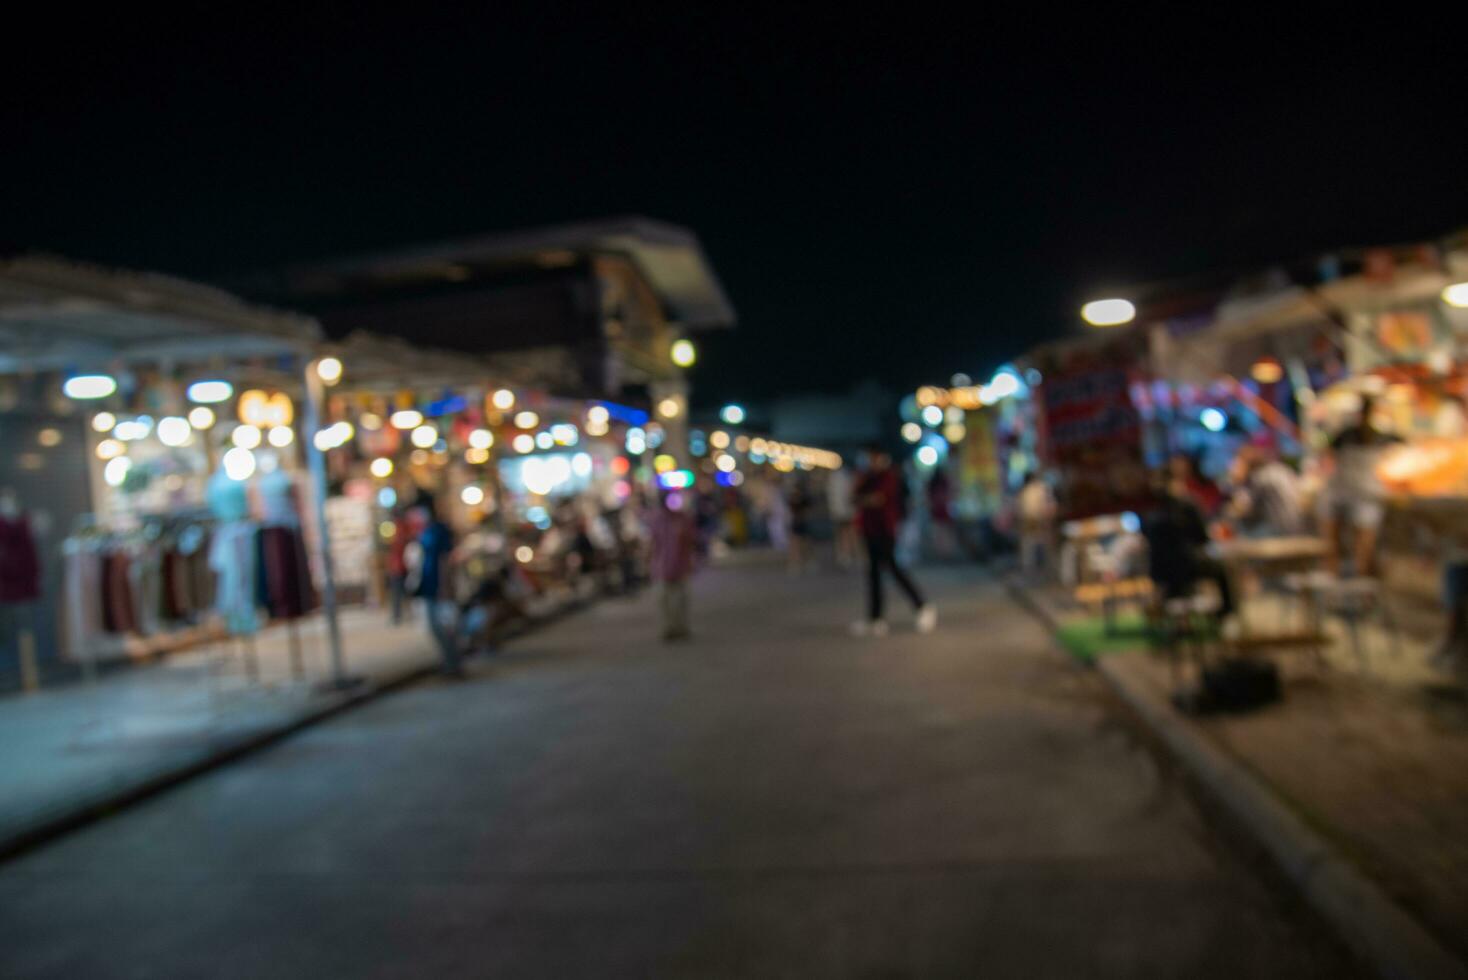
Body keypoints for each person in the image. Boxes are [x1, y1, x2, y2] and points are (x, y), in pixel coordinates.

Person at [852, 445, 936, 636]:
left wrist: (865, 499)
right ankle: (875, 618)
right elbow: (855, 496)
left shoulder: (888, 477)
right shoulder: (867, 477)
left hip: (885, 530)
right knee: (873, 574)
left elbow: (877, 499)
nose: (871, 462)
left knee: (893, 569)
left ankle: (922, 606)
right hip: (869, 530)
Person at [1319, 394, 1399, 576]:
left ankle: (1360, 583)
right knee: (1335, 542)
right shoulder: (1346, 435)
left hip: (1366, 496)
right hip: (1342, 493)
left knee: (1362, 544)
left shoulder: (1384, 436)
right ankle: (1338, 578)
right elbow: (1327, 457)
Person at [411, 495, 462, 676]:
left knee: (445, 627)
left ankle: (453, 664)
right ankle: (449, 662)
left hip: (439, 586)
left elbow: (445, 559)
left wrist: (445, 586)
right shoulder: (426, 530)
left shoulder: (438, 530)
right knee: (435, 626)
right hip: (428, 584)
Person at [650, 489, 697, 641]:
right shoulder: (657, 520)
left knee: (681, 599)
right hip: (663, 566)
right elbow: (654, 544)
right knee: (665, 601)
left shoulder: (682, 519)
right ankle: (669, 628)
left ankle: (681, 627)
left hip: (680, 565)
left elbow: (689, 542)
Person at [1227, 446, 1304, 537]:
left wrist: (1236, 483)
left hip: (1282, 529)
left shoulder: (1260, 479)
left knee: (1243, 533)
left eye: (1237, 464)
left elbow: (1245, 510)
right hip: (1299, 524)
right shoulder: (1278, 469)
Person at [1017, 472, 1057, 578]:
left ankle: (1031, 567)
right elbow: (1049, 505)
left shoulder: (1026, 490)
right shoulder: (1041, 488)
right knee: (1041, 542)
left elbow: (1021, 508)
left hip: (1030, 519)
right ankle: (1045, 567)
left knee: (1030, 543)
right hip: (1038, 519)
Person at [1168, 453, 1223, 518]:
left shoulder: (1205, 484)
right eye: (1176, 466)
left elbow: (1214, 504)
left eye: (1183, 464)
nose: (1181, 468)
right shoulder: (1173, 489)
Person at [826, 466, 858, 569]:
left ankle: (845, 554)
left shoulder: (837, 477)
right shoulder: (845, 477)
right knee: (845, 532)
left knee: (843, 533)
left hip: (842, 510)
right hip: (844, 510)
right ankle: (847, 554)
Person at [787, 479, 814, 574]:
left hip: (802, 522)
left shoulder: (803, 498)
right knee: (796, 543)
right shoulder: (792, 498)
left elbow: (808, 509)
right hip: (796, 522)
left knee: (805, 543)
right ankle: (796, 562)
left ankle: (807, 560)